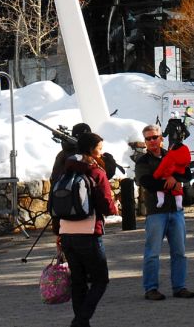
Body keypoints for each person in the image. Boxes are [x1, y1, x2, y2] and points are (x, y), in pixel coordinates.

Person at [56, 132, 118, 327]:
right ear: (92, 150)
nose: (101, 152)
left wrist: (57, 234)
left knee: (79, 281)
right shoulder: (96, 172)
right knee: (100, 280)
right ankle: (80, 320)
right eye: (99, 148)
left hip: (66, 232)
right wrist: (114, 206)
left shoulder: (65, 170)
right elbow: (106, 205)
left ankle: (81, 323)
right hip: (89, 233)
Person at [134, 124, 194, 301]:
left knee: (180, 253)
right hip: (156, 212)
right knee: (152, 253)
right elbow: (146, 182)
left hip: (176, 211)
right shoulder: (142, 161)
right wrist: (168, 182)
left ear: (161, 138)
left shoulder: (173, 154)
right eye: (148, 138)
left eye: (155, 137)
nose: (152, 141)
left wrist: (174, 178)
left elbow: (187, 174)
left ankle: (179, 286)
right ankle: (151, 288)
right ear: (145, 141)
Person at [152, 119, 191, 209]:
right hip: (179, 154)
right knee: (178, 190)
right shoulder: (185, 150)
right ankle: (179, 204)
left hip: (172, 149)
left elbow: (165, 134)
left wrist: (156, 176)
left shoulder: (169, 155)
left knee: (162, 188)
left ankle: (161, 200)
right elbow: (188, 134)